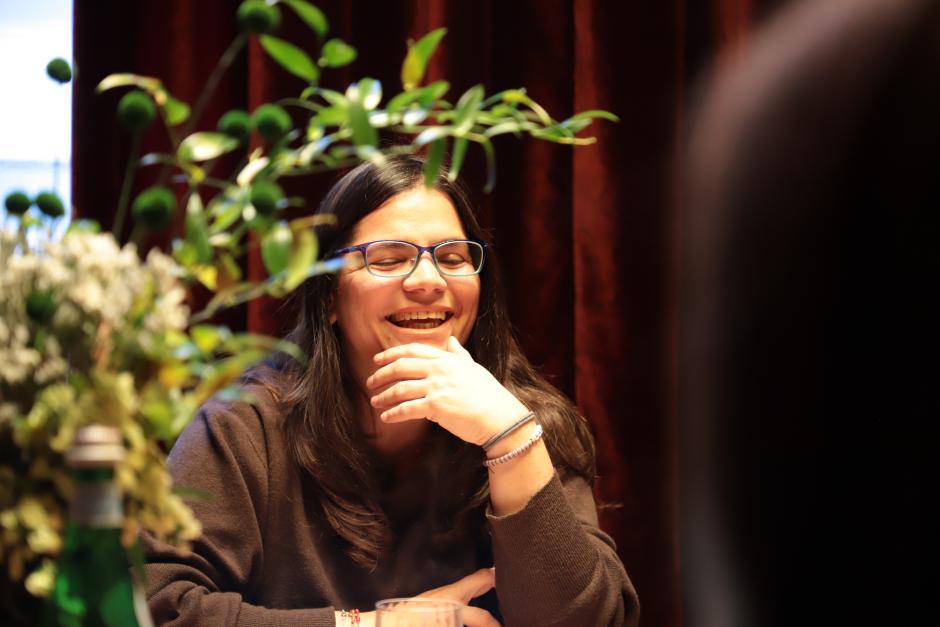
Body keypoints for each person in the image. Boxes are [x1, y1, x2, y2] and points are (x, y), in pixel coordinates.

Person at [144, 155, 640, 626]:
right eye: (388, 258)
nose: (428, 281)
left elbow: (591, 621)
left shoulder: (521, 421)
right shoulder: (246, 428)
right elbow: (156, 608)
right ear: (329, 296)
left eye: (452, 257)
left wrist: (510, 441)